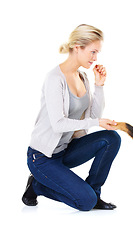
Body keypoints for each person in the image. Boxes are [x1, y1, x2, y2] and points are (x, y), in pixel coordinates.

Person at [22, 24, 121, 211]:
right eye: (92, 52)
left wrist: (99, 86)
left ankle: (93, 192)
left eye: (97, 53)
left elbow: (93, 117)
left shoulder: (82, 76)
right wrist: (97, 122)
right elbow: (59, 124)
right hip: (43, 158)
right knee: (85, 203)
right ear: (77, 47)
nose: (95, 58)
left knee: (111, 138)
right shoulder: (54, 78)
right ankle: (36, 185)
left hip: (65, 150)